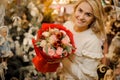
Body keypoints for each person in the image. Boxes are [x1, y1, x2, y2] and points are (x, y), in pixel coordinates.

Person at [59, 0, 107, 80]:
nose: (81, 17)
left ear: (94, 18)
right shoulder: (67, 25)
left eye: (88, 14)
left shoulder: (93, 41)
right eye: (80, 10)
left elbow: (86, 78)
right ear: (75, 9)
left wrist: (62, 59)